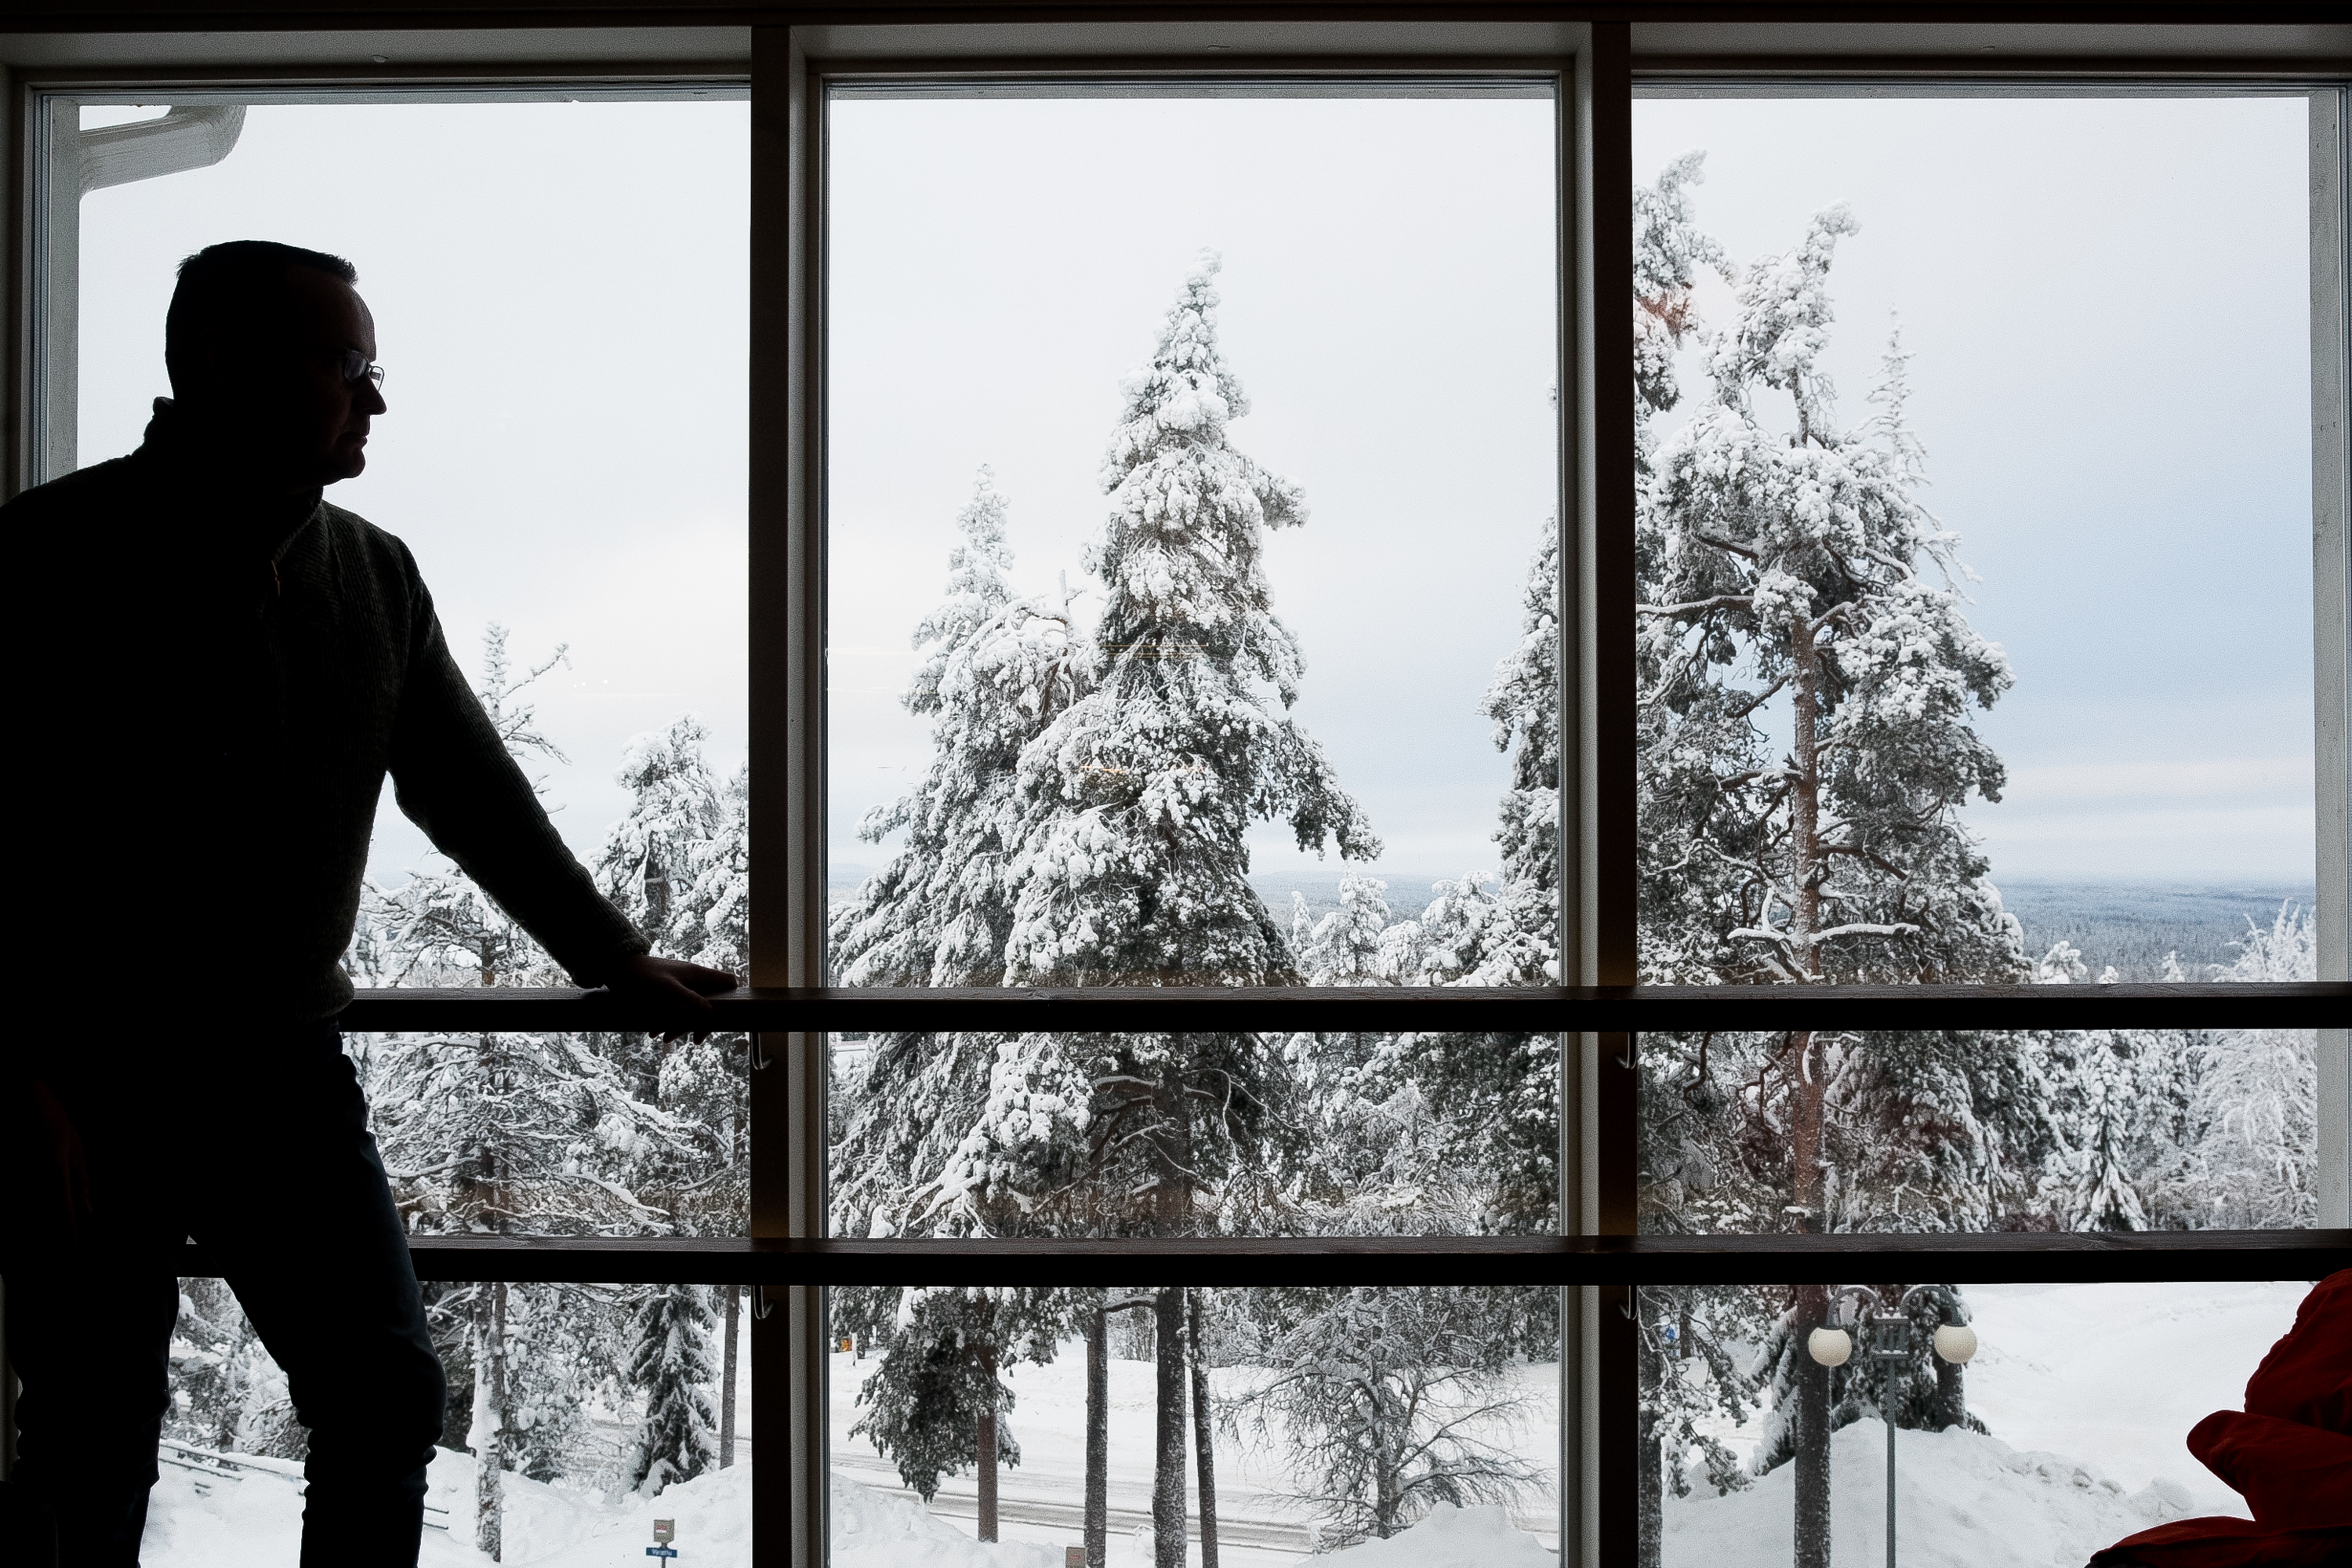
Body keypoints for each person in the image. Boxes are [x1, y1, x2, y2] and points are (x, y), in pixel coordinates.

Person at [0, 240, 735, 1567]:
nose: (377, 401)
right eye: (349, 366)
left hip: (278, 1076)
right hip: (80, 1090)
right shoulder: (45, 559)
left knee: (386, 1393)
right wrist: (12, 1068)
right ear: (226, 365)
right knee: (94, 1427)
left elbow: (471, 792)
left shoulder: (374, 577)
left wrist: (614, 958)